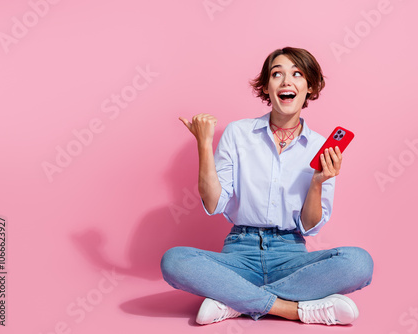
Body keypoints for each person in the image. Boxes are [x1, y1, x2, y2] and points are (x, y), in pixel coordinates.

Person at [160, 47, 374, 326]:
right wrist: (203, 144)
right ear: (266, 86)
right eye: (277, 74)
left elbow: (310, 226)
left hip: (292, 259)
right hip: (239, 254)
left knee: (359, 263)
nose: (287, 81)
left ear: (309, 86)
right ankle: (294, 309)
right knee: (174, 261)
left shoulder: (321, 147)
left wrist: (318, 182)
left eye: (297, 74)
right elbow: (214, 205)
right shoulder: (238, 133)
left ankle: (235, 301)